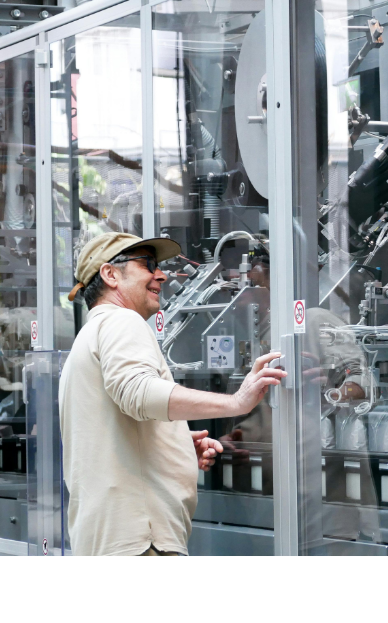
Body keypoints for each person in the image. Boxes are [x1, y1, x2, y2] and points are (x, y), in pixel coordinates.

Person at [58, 232, 284, 556]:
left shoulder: (89, 336)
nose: (161, 275)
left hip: (111, 539)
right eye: (148, 264)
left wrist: (172, 444)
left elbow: (116, 425)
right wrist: (237, 400)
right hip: (142, 542)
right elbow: (138, 392)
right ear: (110, 275)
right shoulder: (122, 321)